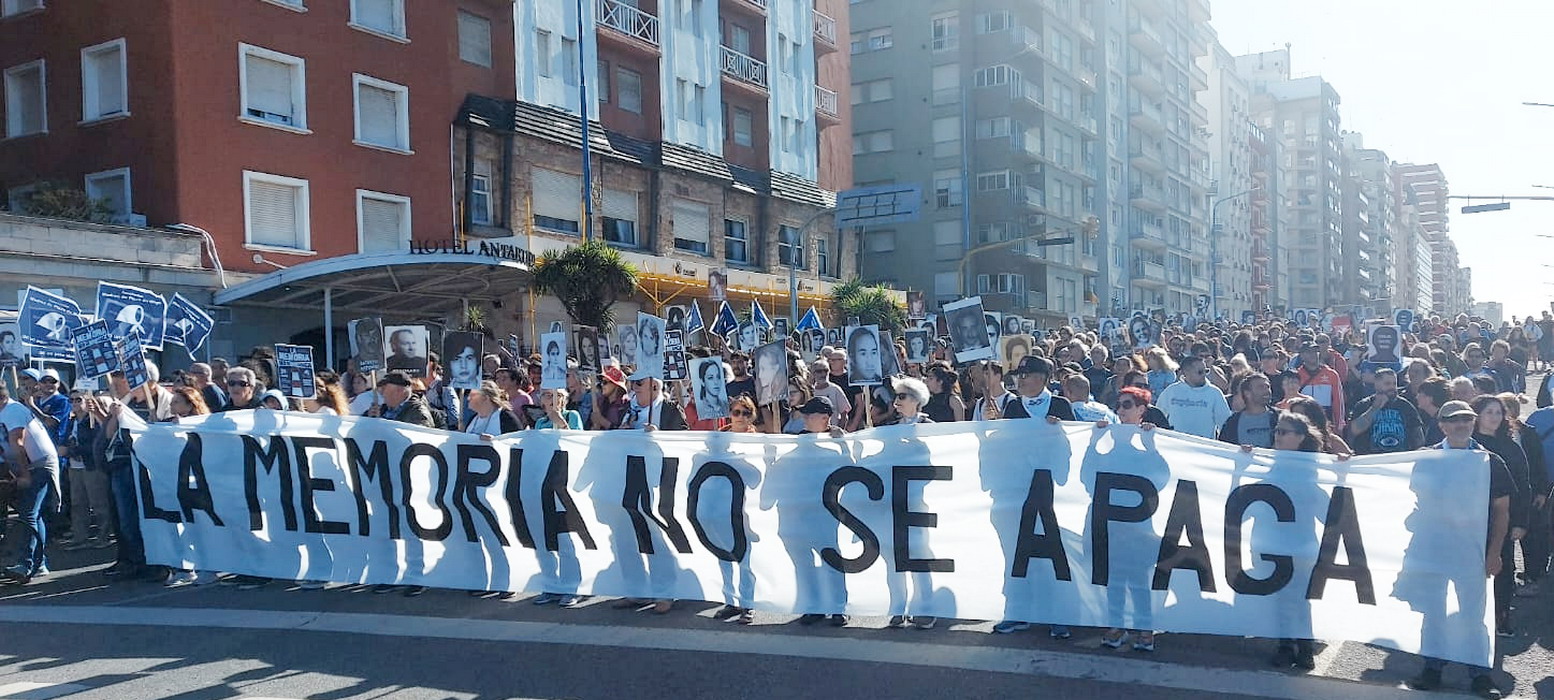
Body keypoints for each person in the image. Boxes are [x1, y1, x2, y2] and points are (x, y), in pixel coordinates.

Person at [1407, 400, 1513, 699]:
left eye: (1466, 419)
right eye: (1453, 420)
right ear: (1442, 425)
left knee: (1473, 614)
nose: (1461, 425)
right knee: (1433, 612)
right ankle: (1432, 668)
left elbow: (1502, 511)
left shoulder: (1490, 461)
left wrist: (1495, 553)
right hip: (1433, 548)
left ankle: (1479, 673)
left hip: (1473, 552)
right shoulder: (1425, 458)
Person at [0, 381, 61, 585]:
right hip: (22, 464)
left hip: (38, 463)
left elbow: (17, 444)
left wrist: (24, 475)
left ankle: (26, 565)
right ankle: (39, 563)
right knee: (32, 513)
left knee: (28, 513)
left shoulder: (13, 411)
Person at [59, 390, 113, 552]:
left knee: (98, 502)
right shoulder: (71, 421)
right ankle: (79, 536)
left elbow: (95, 445)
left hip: (91, 465)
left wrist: (70, 451)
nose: (75, 403)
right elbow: (65, 438)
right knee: (77, 503)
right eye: (72, 400)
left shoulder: (93, 421)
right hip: (74, 467)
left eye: (78, 399)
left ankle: (104, 536)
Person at [1345, 368, 1423, 454]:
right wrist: (1374, 408)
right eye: (1387, 384)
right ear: (1376, 384)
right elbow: (1353, 431)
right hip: (1371, 460)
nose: (1392, 387)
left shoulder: (1405, 406)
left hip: (1399, 460)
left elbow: (1417, 435)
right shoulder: (1363, 405)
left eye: (1394, 383)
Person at [1155, 355, 1231, 439]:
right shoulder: (1171, 391)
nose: (1204, 375)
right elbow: (1157, 418)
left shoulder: (1215, 393)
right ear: (1186, 372)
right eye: (1200, 372)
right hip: (1175, 447)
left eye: (1206, 371)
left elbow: (1225, 425)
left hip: (1202, 448)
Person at [990, 356, 1075, 421]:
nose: (1019, 380)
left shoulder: (1061, 405)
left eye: (1024, 376)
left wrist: (1060, 428)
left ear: (1041, 378)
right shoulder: (1013, 405)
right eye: (1018, 376)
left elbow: (1074, 437)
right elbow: (1007, 438)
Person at [1219, 372, 1277, 448]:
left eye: (1268, 387)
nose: (1267, 391)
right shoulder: (1233, 422)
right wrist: (1240, 451)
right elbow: (1224, 449)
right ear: (1247, 394)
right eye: (1261, 387)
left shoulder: (1279, 418)